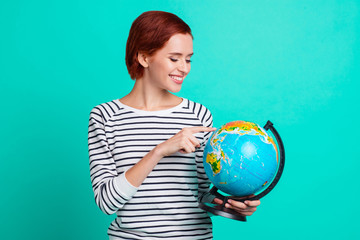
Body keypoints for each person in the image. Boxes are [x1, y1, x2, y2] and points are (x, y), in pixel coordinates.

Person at [88, 10, 260, 240]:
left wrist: (233, 204)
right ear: (144, 57)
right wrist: (159, 151)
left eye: (188, 59)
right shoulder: (105, 117)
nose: (185, 68)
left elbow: (204, 196)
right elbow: (107, 202)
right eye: (174, 58)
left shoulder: (198, 115)